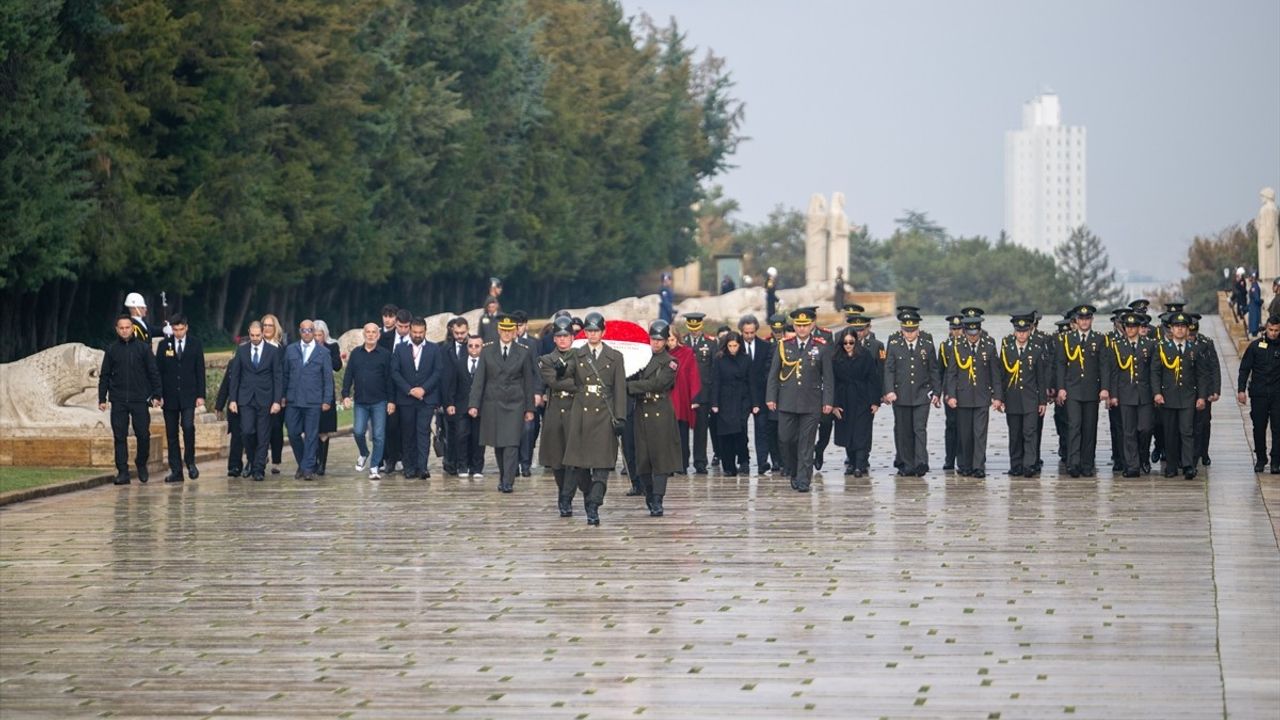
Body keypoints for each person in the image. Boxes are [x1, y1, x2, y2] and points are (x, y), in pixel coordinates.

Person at [561, 313, 627, 524]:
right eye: (589, 331)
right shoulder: (577, 354)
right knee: (578, 464)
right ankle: (588, 495)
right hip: (581, 413)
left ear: (603, 332)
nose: (592, 335)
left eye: (596, 331)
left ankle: (594, 504)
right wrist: (560, 369)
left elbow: (619, 389)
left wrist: (620, 417)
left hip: (604, 415)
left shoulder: (615, 356)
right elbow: (567, 376)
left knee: (602, 465)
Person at [766, 307, 835, 492]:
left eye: (805, 325)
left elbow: (828, 377)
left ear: (812, 325)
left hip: (811, 401)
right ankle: (794, 471)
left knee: (806, 442)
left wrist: (828, 401)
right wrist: (771, 397)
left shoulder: (821, 346)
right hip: (787, 401)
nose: (802, 329)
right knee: (786, 439)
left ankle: (804, 479)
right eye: (798, 325)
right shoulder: (784, 345)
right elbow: (774, 374)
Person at [468, 314, 535, 493]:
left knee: (512, 443)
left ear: (515, 332)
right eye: (504, 330)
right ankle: (503, 475)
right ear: (499, 331)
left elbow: (529, 381)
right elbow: (479, 379)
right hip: (493, 402)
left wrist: (529, 408)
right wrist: (474, 404)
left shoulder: (523, 351)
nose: (506, 333)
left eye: (510, 330)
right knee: (498, 443)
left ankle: (508, 481)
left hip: (515, 402)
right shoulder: (488, 350)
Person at [627, 320, 684, 516]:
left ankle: (658, 498)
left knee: (661, 458)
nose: (656, 343)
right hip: (641, 409)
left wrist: (631, 387)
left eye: (660, 340)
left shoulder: (671, 362)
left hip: (660, 410)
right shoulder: (639, 358)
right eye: (653, 339)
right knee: (642, 458)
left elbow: (659, 384)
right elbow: (630, 376)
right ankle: (649, 494)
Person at [98, 314, 162, 485]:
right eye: (121, 328)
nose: (125, 330)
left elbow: (153, 372)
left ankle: (141, 462)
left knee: (143, 434)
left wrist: (157, 394)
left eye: (128, 327)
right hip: (118, 399)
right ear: (117, 329)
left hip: (139, 398)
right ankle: (123, 472)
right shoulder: (111, 350)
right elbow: (104, 375)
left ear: (132, 328)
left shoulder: (143, 348)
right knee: (119, 436)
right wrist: (102, 398)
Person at [1151, 311, 1211, 479]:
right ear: (1171, 328)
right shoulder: (1162, 348)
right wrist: (1156, 393)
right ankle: (1170, 466)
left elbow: (1201, 375)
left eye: (1183, 327)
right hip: (1168, 397)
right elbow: (1155, 372)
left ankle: (1188, 465)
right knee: (1170, 433)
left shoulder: (1195, 349)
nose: (1179, 330)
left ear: (1187, 329)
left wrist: (1201, 396)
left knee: (1187, 431)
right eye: (1177, 327)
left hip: (1188, 397)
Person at [882, 310, 940, 477]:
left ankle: (921, 462)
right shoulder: (894, 344)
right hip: (900, 395)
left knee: (919, 429)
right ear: (901, 329)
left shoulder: (927, 344)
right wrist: (889, 390)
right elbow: (889, 369)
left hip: (922, 394)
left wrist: (937, 392)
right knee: (904, 430)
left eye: (913, 330)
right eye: (906, 330)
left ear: (918, 329)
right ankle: (907, 464)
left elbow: (933, 370)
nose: (909, 334)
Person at [1054, 304, 1109, 478]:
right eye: (1081, 319)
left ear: (1091, 320)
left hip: (1092, 390)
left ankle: (1087, 464)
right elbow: (1061, 365)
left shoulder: (1099, 339)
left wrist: (1105, 388)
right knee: (1074, 426)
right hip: (1073, 389)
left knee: (1089, 428)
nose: (1084, 322)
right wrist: (1061, 388)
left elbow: (1104, 366)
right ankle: (1073, 463)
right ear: (1076, 321)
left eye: (1087, 318)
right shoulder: (1067, 339)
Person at [944, 316, 1002, 478]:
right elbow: (951, 374)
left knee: (980, 433)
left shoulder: (989, 347)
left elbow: (995, 374)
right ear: (965, 332)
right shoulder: (958, 347)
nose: (972, 337)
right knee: (964, 434)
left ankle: (978, 466)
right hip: (962, 397)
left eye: (975, 333)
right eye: (969, 333)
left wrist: (997, 396)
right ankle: (964, 464)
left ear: (980, 331)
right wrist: (951, 395)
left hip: (982, 397)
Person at [227, 321, 283, 481]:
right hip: (246, 399)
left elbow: (277, 377)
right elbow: (235, 376)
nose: (255, 338)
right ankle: (252, 459)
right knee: (247, 431)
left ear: (263, 333)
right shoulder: (242, 350)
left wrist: (277, 401)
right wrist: (233, 399)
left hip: (266, 399)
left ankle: (259, 468)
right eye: (252, 335)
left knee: (264, 435)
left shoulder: (272, 351)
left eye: (258, 335)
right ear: (249, 333)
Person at [156, 313, 206, 483]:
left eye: (181, 329)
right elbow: (158, 372)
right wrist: (158, 394)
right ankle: (176, 470)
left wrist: (201, 395)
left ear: (186, 327)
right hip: (169, 396)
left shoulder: (195, 344)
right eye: (175, 329)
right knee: (171, 434)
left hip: (188, 395)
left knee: (188, 426)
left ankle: (190, 461)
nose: (178, 333)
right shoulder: (164, 345)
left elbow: (200, 370)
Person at [282, 319, 334, 481]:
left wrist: (327, 400)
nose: (307, 333)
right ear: (300, 332)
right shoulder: (290, 350)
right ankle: (304, 463)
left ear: (314, 332)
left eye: (310, 330)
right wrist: (282, 396)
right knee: (293, 432)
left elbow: (327, 378)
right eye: (303, 330)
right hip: (293, 399)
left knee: (311, 435)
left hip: (313, 400)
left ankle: (308, 468)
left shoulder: (323, 352)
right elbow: (284, 375)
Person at [392, 317, 443, 480]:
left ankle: (422, 467)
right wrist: (409, 390)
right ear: (410, 331)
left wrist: (423, 389)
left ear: (425, 331)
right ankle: (409, 467)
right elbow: (395, 372)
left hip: (426, 399)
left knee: (422, 432)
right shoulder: (400, 349)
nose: (417, 335)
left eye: (421, 332)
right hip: (406, 398)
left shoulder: (434, 349)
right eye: (415, 332)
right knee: (408, 433)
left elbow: (437, 372)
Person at [343, 323, 395, 480]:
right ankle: (364, 452)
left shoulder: (385, 355)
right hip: (361, 401)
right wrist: (345, 395)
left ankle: (374, 467)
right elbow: (348, 375)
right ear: (363, 334)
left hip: (380, 401)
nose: (371, 335)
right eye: (368, 332)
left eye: (374, 332)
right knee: (358, 431)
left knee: (379, 435)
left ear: (378, 335)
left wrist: (391, 401)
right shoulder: (356, 354)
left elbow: (389, 380)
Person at [1107, 311, 1156, 477]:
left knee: (1145, 428)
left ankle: (1143, 456)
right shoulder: (1117, 344)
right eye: (1127, 326)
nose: (1130, 329)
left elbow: (1154, 372)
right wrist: (1113, 395)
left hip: (1145, 394)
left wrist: (1156, 393)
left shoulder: (1149, 344)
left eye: (1134, 326)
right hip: (1125, 393)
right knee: (1128, 431)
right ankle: (1132, 465)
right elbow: (1113, 372)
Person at [538, 317, 578, 515]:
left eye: (566, 336)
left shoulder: (581, 357)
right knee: (557, 459)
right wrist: (574, 383)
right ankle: (563, 491)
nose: (562, 340)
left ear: (572, 337)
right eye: (559, 336)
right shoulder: (547, 359)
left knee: (573, 458)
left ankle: (567, 497)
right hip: (554, 412)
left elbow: (585, 380)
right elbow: (552, 382)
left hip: (575, 411)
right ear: (554, 339)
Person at [998, 314, 1047, 478]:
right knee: (1015, 434)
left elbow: (1041, 379)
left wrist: (1043, 402)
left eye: (1024, 331)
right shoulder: (1007, 350)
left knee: (1030, 433)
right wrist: (999, 398)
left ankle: (1029, 465)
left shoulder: (1036, 349)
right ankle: (1016, 464)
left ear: (1029, 331)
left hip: (1030, 399)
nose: (1021, 335)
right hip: (1012, 398)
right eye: (1019, 331)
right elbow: (1002, 377)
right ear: (1015, 332)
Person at [831, 321, 881, 477]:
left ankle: (860, 464)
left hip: (862, 397)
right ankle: (851, 463)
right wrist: (833, 404)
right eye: (845, 343)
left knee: (861, 432)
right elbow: (832, 381)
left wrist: (875, 402)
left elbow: (873, 378)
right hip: (843, 398)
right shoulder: (836, 357)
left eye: (851, 342)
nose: (848, 345)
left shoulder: (865, 355)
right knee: (848, 432)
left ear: (855, 341)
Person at [1238, 315, 1280, 473]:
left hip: (1277, 394)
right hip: (1259, 393)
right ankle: (1261, 459)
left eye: (1277, 330)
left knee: (1278, 428)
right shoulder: (1255, 346)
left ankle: (1276, 461)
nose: (1274, 333)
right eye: (1271, 330)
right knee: (1259, 427)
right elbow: (1244, 369)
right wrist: (1241, 390)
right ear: (1266, 328)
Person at [710, 331, 754, 476]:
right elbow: (715, 381)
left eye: (735, 345)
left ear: (739, 345)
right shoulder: (719, 359)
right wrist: (714, 402)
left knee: (741, 432)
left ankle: (744, 461)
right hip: (725, 400)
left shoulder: (746, 359)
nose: (733, 349)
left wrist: (755, 403)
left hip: (742, 399)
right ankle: (728, 466)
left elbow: (751, 382)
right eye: (730, 346)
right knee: (725, 434)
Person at [449, 335, 486, 478]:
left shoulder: (486, 364)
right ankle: (462, 466)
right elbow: (452, 385)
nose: (474, 349)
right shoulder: (459, 363)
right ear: (467, 347)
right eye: (471, 346)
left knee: (478, 438)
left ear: (482, 347)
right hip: (462, 406)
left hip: (481, 407)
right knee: (461, 436)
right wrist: (450, 403)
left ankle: (477, 468)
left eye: (477, 346)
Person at [513, 311, 545, 477]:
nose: (517, 329)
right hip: (509, 395)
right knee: (511, 430)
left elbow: (537, 370)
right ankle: (512, 464)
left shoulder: (532, 344)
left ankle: (525, 463)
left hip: (527, 393)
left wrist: (538, 392)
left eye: (520, 325)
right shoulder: (502, 343)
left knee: (528, 429)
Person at [740, 315, 773, 474]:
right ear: (741, 331)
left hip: (760, 395)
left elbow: (768, 371)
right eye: (746, 332)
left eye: (752, 332)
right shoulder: (734, 345)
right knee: (741, 430)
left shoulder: (765, 346)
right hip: (741, 397)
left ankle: (762, 462)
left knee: (762, 430)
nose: (749, 336)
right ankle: (744, 461)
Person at [380, 308, 412, 472]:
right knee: (390, 426)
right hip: (389, 389)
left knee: (406, 427)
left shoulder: (416, 340)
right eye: (400, 326)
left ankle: (405, 458)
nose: (403, 330)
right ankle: (391, 458)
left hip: (408, 390)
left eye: (406, 327)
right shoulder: (385, 338)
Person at [682, 313, 715, 474]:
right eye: (691, 328)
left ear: (701, 326)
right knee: (682, 430)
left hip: (703, 393)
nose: (694, 332)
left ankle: (700, 461)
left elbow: (714, 370)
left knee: (701, 430)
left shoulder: (710, 343)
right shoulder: (683, 342)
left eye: (697, 328)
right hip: (685, 394)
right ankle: (682, 462)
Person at [666, 329, 701, 473]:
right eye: (667, 340)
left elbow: (693, 375)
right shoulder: (661, 354)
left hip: (681, 398)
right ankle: (668, 464)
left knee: (682, 433)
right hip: (666, 398)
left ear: (678, 339)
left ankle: (682, 464)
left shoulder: (687, 353)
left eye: (672, 339)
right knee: (667, 434)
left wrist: (694, 397)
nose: (670, 343)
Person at [1187, 316, 1220, 467]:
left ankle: (1204, 452)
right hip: (1187, 389)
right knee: (1188, 424)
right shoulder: (1180, 343)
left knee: (1204, 423)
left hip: (1204, 389)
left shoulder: (1206, 343)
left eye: (1194, 334)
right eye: (1190, 333)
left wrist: (1215, 390)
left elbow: (1214, 367)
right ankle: (1189, 454)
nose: (1191, 337)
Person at [312, 320, 343, 475]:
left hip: (326, 389)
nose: (318, 337)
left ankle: (321, 464)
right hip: (311, 390)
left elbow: (338, 366)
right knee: (313, 427)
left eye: (320, 334)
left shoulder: (332, 346)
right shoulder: (307, 347)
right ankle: (314, 460)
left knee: (324, 428)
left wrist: (325, 354)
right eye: (315, 334)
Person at [260, 313, 287, 475]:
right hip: (260, 394)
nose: (267, 328)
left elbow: (284, 374)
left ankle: (276, 460)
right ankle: (260, 456)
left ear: (275, 328)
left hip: (277, 394)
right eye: (265, 325)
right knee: (259, 428)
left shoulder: (281, 349)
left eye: (270, 325)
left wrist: (282, 396)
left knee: (276, 428)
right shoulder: (255, 345)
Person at [937, 314, 964, 471]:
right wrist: (939, 393)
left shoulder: (967, 345)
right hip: (950, 392)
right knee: (951, 425)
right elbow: (940, 371)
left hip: (966, 391)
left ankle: (963, 458)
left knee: (965, 427)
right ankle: (949, 458)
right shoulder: (944, 346)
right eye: (953, 329)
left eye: (959, 328)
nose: (956, 332)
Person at [214, 351, 246, 477]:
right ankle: (234, 465)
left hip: (251, 405)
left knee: (250, 435)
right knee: (236, 437)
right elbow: (226, 384)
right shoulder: (233, 364)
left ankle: (253, 462)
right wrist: (219, 406)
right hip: (235, 406)